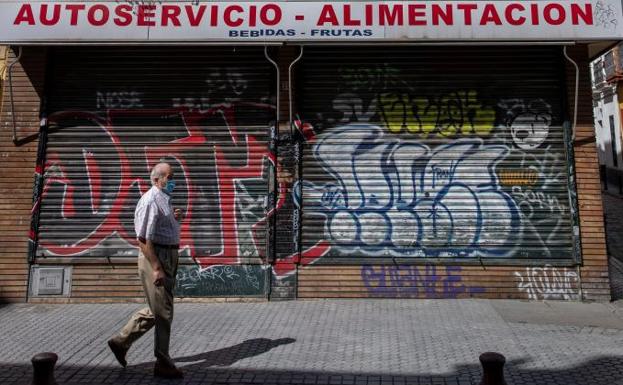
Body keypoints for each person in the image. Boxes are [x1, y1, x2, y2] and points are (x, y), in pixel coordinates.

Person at [107, 162, 184, 379]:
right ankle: (163, 362)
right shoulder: (150, 200)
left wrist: (174, 217)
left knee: (157, 307)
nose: (173, 180)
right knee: (164, 312)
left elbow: (160, 229)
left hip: (167, 255)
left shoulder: (163, 199)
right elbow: (143, 239)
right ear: (157, 179)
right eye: (169, 176)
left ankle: (120, 342)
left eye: (173, 176)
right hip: (157, 258)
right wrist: (157, 267)